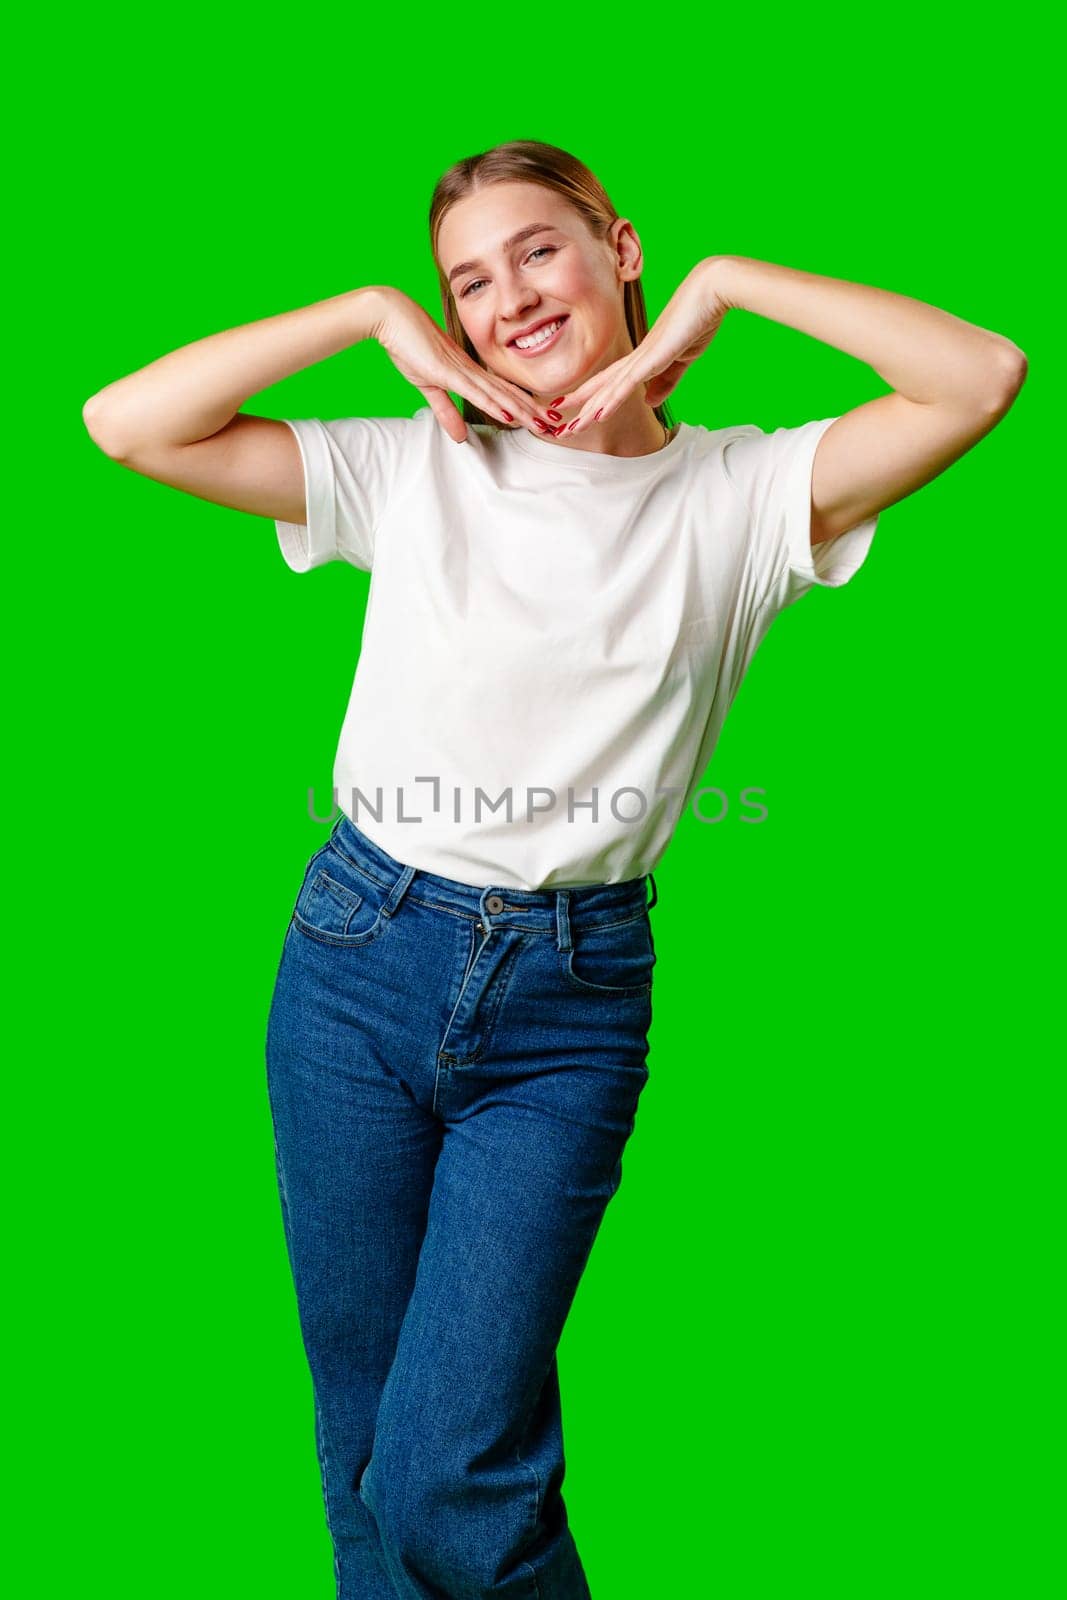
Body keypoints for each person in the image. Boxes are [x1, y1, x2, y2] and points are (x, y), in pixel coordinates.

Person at [82, 139, 1026, 1599]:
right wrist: (366, 315)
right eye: (468, 281)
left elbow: (981, 376)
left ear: (616, 246)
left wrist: (723, 290)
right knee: (366, 1460)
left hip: (568, 1005)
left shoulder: (751, 494)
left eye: (537, 249)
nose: (507, 296)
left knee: (459, 1462)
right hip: (353, 960)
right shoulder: (411, 468)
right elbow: (125, 423)